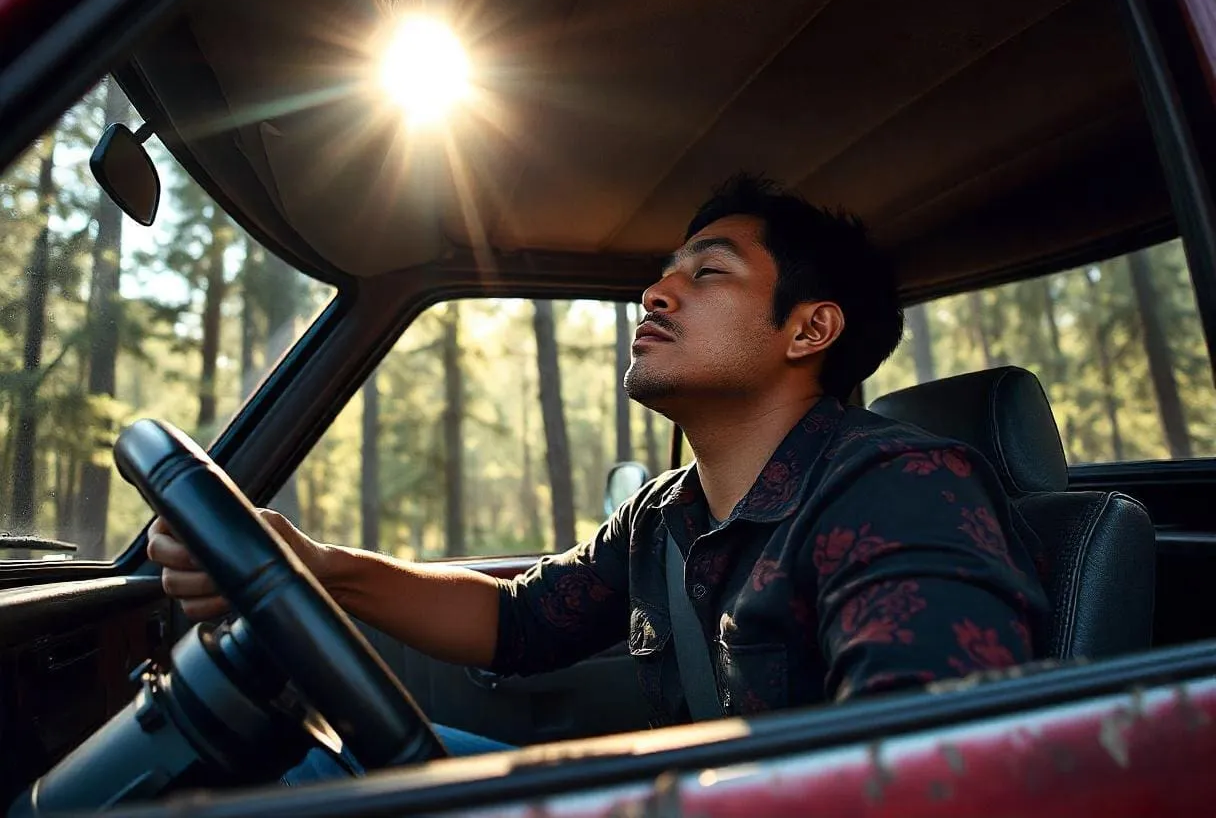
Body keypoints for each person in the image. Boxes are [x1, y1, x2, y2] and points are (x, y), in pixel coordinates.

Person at [148, 173, 1048, 774]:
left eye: (708, 272)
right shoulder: (664, 517)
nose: (656, 294)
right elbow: (516, 620)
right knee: (310, 757)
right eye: (663, 275)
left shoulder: (899, 486)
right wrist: (316, 565)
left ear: (808, 331)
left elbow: (931, 768)